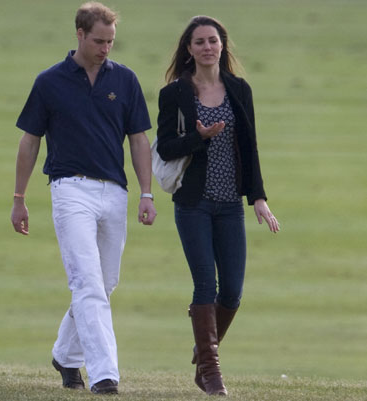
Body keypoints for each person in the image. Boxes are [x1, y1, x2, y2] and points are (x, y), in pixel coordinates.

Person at [11, 2, 156, 395]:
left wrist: (146, 192)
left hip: (115, 192)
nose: (106, 48)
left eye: (111, 41)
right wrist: (19, 197)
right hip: (69, 189)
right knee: (88, 282)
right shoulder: (49, 81)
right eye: (98, 40)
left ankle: (64, 354)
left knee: (104, 283)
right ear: (79, 34)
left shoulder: (125, 80)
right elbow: (30, 141)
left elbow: (139, 140)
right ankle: (105, 374)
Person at [156, 15, 280, 396]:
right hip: (193, 203)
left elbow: (250, 146)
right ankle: (210, 373)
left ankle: (204, 347)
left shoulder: (239, 90)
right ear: (189, 50)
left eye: (213, 40)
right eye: (199, 42)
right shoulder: (175, 93)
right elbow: (165, 147)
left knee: (232, 292)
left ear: (222, 46)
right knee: (204, 285)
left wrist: (258, 198)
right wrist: (199, 136)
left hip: (229, 205)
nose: (207, 47)